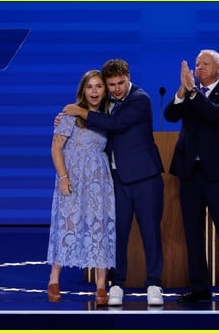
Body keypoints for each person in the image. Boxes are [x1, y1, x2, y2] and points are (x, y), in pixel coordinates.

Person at [61, 59, 165, 306]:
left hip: (145, 178)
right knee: (116, 233)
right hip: (116, 179)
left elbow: (115, 124)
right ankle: (117, 283)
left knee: (150, 232)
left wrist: (80, 112)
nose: (117, 89)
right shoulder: (107, 103)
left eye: (121, 82)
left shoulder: (141, 99)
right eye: (112, 85)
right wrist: (65, 119)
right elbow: (92, 114)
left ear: (128, 77)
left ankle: (154, 284)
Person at [163, 49, 219, 306]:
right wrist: (180, 92)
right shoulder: (188, 94)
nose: (199, 68)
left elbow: (217, 116)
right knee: (193, 234)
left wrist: (194, 93)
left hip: (218, 174)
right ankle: (200, 288)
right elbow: (170, 115)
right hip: (190, 173)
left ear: (218, 68)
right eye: (196, 64)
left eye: (204, 64)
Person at [47, 70, 116, 306]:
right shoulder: (68, 115)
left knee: (100, 227)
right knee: (67, 224)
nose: (94, 91)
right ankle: (54, 279)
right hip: (73, 178)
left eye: (98, 86)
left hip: (98, 181)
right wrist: (63, 177)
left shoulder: (109, 116)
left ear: (105, 90)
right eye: (90, 87)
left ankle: (100, 286)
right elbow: (56, 148)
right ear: (83, 90)